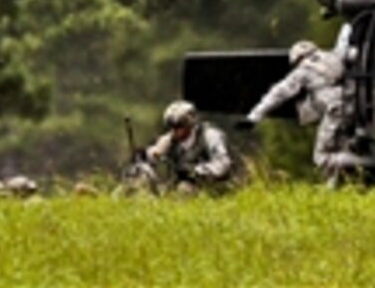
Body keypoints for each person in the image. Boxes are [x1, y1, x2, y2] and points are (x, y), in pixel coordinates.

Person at [237, 37, 347, 180]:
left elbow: (277, 94)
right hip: (355, 107)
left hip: (334, 112)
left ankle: (373, 164)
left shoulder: (303, 71)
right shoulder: (335, 57)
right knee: (345, 149)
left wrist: (253, 117)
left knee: (322, 157)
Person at [145, 100, 234, 194]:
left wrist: (195, 171)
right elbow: (153, 155)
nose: (175, 131)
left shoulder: (210, 135)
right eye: (172, 127)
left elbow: (224, 164)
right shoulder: (170, 139)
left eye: (179, 126)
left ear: (189, 124)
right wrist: (153, 153)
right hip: (190, 183)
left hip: (220, 184)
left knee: (183, 189)